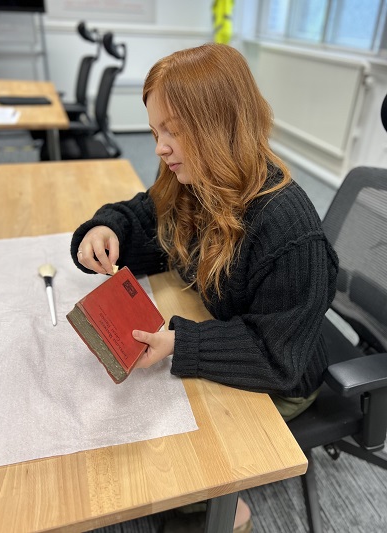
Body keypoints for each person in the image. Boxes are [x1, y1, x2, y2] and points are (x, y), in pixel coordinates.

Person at [71, 43, 339, 533]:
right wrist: (106, 228)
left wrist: (183, 344)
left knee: (156, 465)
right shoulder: (194, 179)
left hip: (286, 373)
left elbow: (278, 359)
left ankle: (223, 511)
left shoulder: (290, 232)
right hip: (229, 330)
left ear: (221, 123)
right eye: (155, 132)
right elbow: (147, 213)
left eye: (172, 131)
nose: (159, 147)